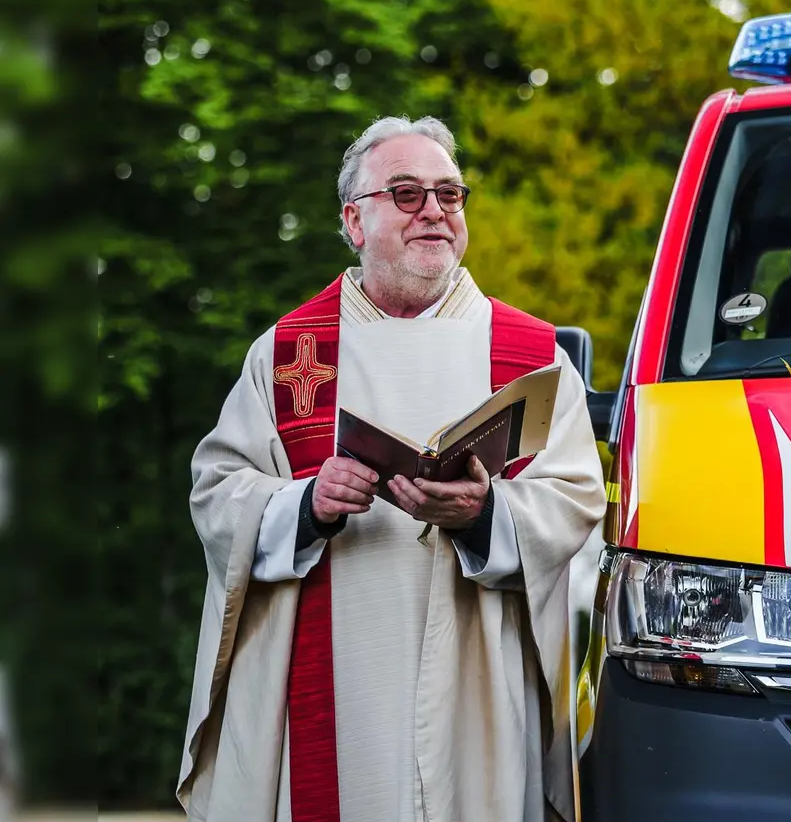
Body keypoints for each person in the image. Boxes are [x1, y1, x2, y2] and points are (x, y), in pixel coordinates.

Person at [175, 116, 606, 822]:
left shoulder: (529, 354)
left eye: (450, 194)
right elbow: (219, 494)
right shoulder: (289, 355)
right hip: (328, 682)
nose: (434, 211)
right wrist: (308, 503)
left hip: (480, 678)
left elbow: (577, 506)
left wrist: (487, 514)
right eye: (406, 194)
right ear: (354, 220)